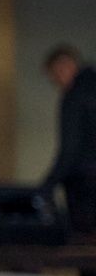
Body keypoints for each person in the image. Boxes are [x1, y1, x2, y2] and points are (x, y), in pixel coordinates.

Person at [39, 44, 96, 234]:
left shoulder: (74, 97)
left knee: (84, 245)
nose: (56, 82)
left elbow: (69, 149)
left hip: (85, 188)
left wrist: (46, 187)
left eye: (55, 75)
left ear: (65, 66)